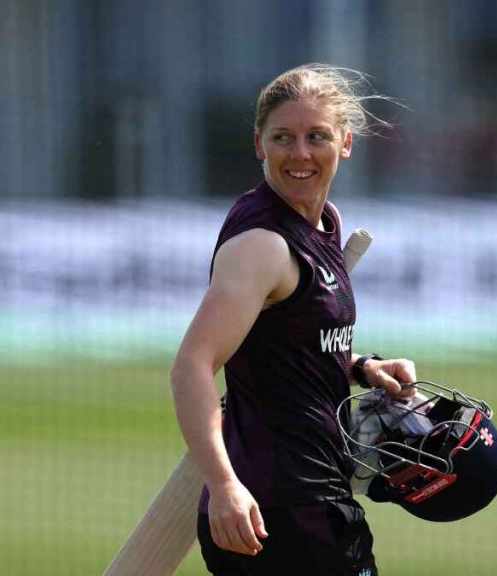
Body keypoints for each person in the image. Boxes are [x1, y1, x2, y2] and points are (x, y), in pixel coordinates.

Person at [170, 63, 413, 576]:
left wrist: (362, 368)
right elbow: (192, 365)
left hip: (316, 500)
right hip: (278, 513)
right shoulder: (262, 245)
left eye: (316, 137)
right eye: (283, 137)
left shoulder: (324, 224)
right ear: (260, 144)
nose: (300, 153)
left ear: (345, 143)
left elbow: (283, 345)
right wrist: (225, 486)